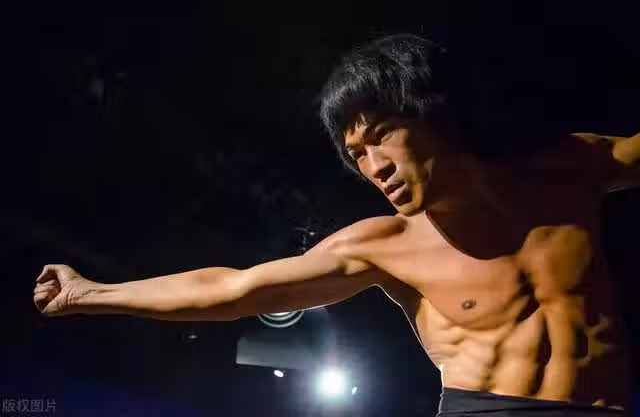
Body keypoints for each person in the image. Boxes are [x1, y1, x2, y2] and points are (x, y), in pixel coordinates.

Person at [33, 35, 639, 416]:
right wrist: (90, 293)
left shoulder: (567, 169)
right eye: (357, 156)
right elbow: (229, 290)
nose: (374, 167)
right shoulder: (384, 245)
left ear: (432, 115)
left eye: (381, 136)